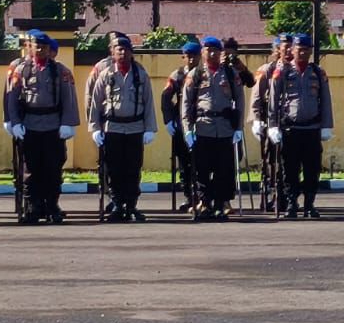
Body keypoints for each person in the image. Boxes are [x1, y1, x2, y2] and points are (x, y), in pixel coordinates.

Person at [2, 30, 78, 225]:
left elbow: (69, 98)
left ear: (48, 49)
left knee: (53, 169)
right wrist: (14, 122)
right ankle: (33, 207)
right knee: (31, 170)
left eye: (44, 47)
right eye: (37, 46)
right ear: (31, 47)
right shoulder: (21, 70)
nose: (40, 50)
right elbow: (12, 97)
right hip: (30, 125)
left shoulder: (61, 71)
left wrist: (68, 123)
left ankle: (52, 205)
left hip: (53, 125)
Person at [88, 34, 156, 221]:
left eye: (126, 50)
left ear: (131, 52)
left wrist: (150, 128)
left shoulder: (140, 75)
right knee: (114, 169)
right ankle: (117, 204)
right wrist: (94, 128)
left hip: (135, 128)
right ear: (112, 52)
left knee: (133, 169)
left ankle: (132, 205)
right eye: (119, 50)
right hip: (113, 128)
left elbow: (148, 102)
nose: (123, 53)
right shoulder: (105, 75)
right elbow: (95, 102)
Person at [268, 32, 333, 218]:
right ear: (293, 50)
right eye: (299, 50)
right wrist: (273, 125)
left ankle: (309, 204)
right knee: (290, 170)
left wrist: (326, 125)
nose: (302, 53)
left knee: (312, 169)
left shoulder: (318, 73)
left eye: (306, 50)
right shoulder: (283, 72)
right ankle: (291, 204)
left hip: (311, 129)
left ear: (310, 51)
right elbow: (274, 100)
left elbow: (326, 100)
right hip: (290, 129)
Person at [182, 36, 245, 220]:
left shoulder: (230, 73)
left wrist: (239, 128)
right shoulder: (196, 74)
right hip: (203, 127)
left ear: (220, 53)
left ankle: (220, 204)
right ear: (202, 52)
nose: (211, 53)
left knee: (223, 169)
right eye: (207, 50)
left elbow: (240, 100)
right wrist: (187, 128)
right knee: (202, 169)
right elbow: (186, 103)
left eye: (215, 50)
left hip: (225, 128)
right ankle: (205, 203)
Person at [251, 34, 290, 215]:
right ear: (277, 51)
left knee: (289, 162)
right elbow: (257, 97)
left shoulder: (296, 70)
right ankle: (268, 194)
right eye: (284, 48)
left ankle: (286, 196)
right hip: (270, 122)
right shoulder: (267, 70)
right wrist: (257, 120)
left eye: (291, 47)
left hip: (291, 123)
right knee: (270, 161)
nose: (289, 51)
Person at [162, 42, 202, 214]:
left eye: (194, 55)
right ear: (183, 57)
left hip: (201, 125)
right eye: (188, 55)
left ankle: (202, 198)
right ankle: (189, 197)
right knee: (184, 164)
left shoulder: (203, 74)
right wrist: (169, 120)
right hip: (182, 125)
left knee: (201, 164)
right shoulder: (177, 75)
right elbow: (166, 97)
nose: (191, 58)